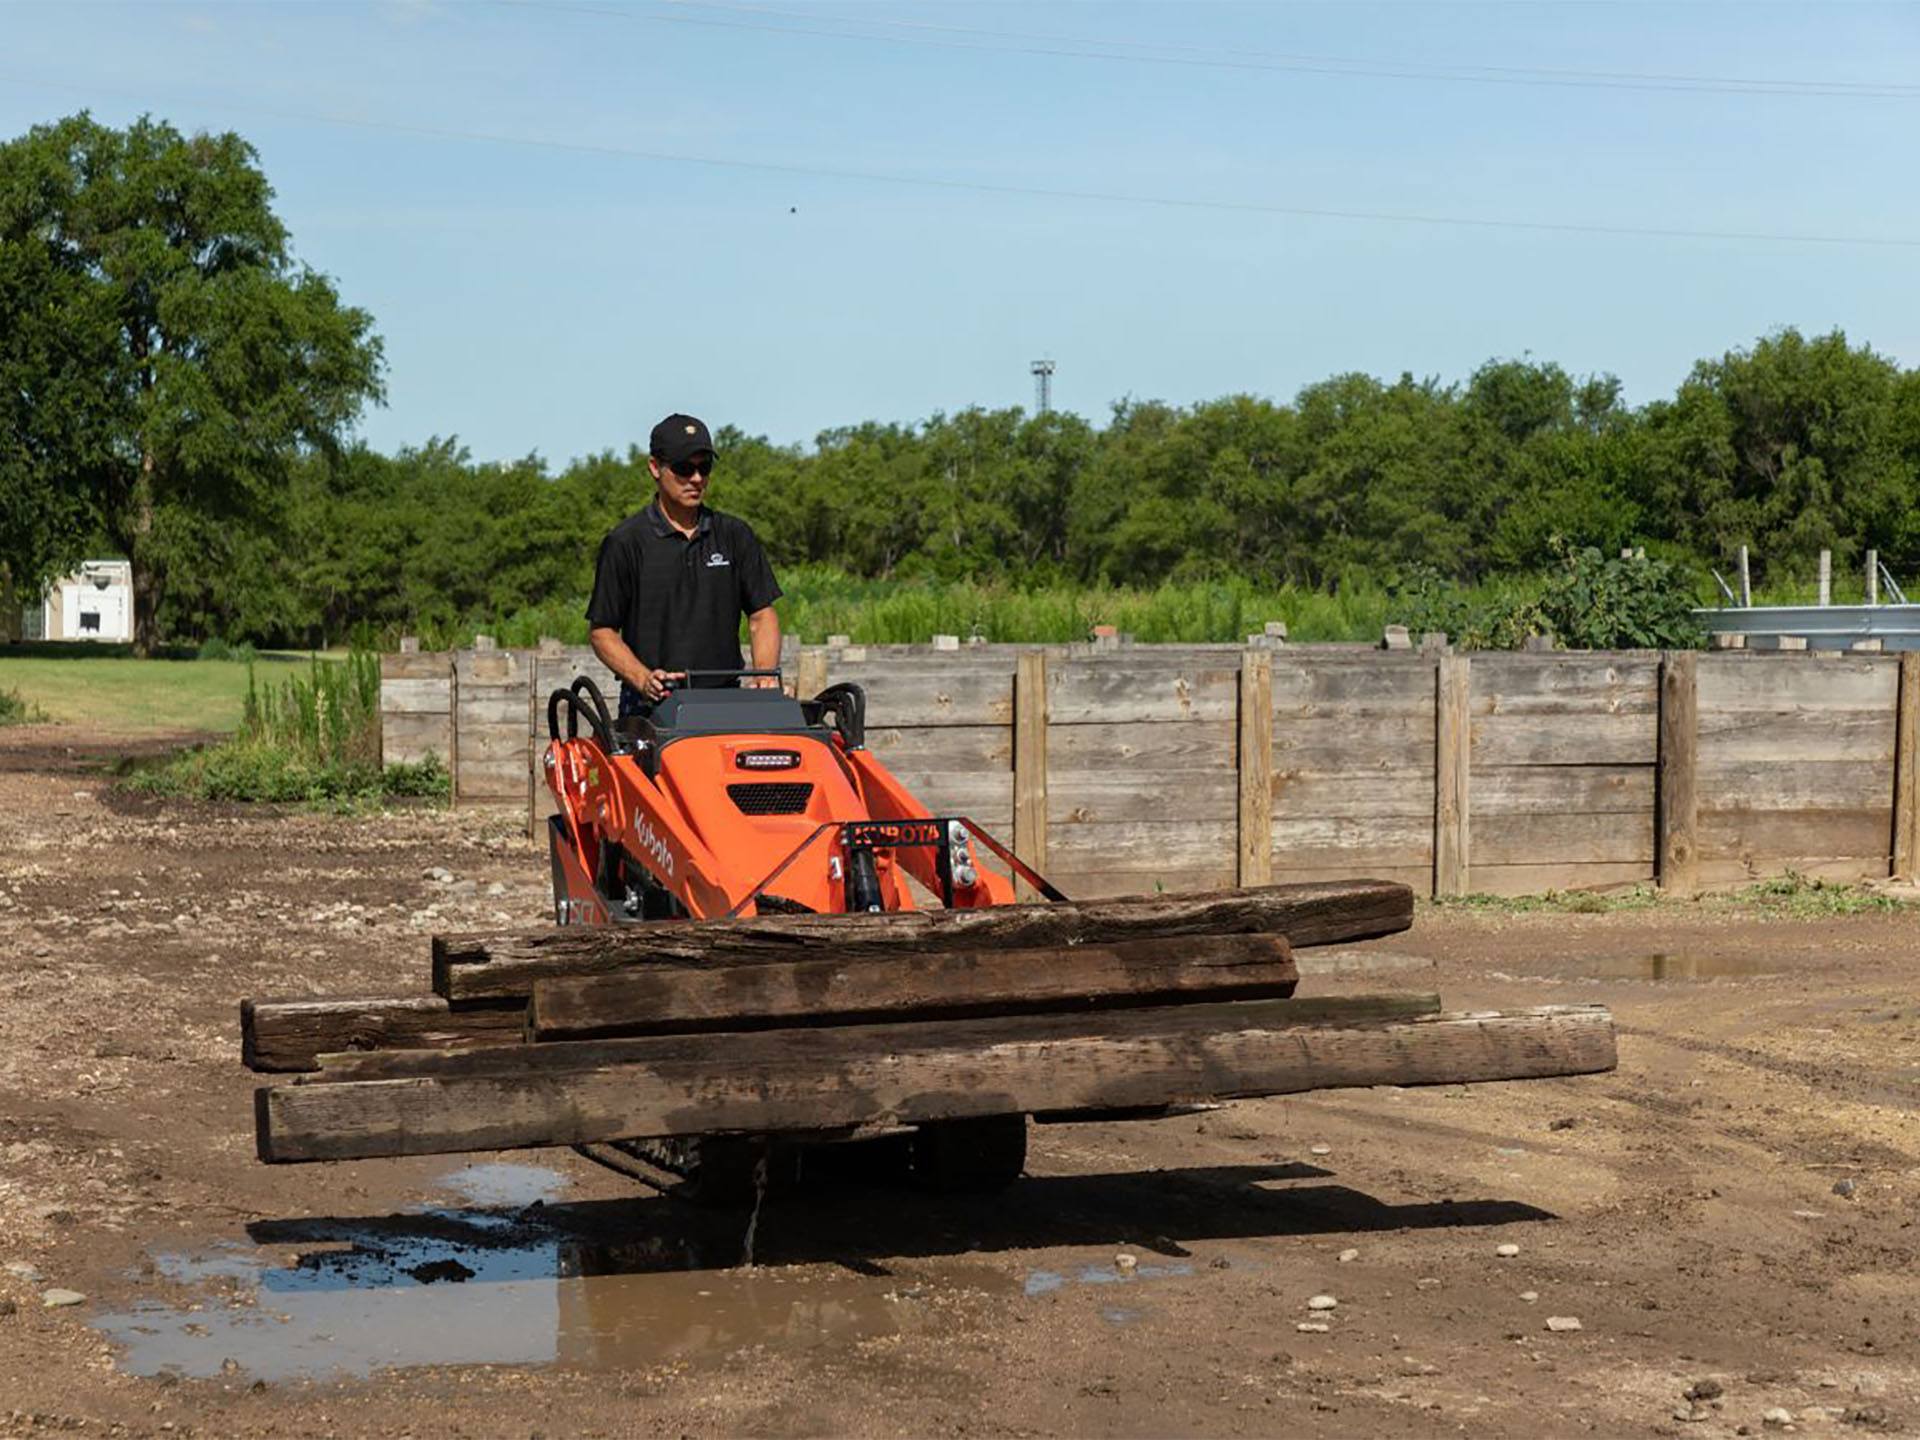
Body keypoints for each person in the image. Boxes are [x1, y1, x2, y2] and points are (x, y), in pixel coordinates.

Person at [586, 413, 782, 717]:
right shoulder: (625, 542)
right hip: (651, 708)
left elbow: (761, 616)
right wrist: (643, 678)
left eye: (704, 468)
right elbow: (602, 631)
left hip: (727, 703)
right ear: (655, 467)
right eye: (683, 468)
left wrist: (765, 676)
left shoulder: (735, 535)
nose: (696, 478)